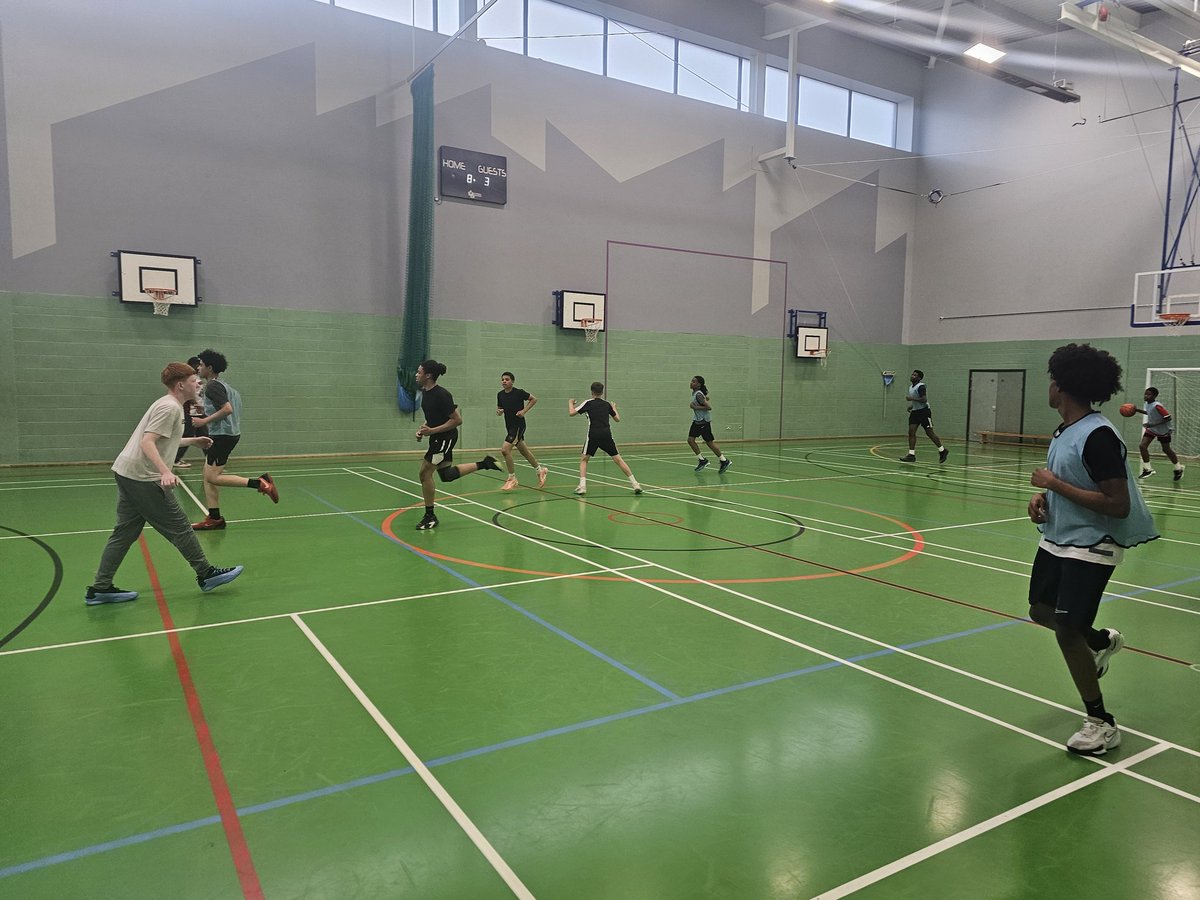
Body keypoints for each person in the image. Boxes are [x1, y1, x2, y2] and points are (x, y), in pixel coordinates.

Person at [1026, 343, 1158, 756]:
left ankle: (1101, 722)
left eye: (1051, 381)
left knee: (1066, 629)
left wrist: (1053, 485)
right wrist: (1044, 503)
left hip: (1093, 546)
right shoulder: (1066, 431)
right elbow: (1070, 485)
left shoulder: (1099, 435)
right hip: (1057, 539)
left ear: (1061, 387)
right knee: (1040, 611)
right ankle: (1100, 642)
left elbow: (1117, 505)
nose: (1048, 387)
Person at [84, 363, 244, 605]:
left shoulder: (172, 407)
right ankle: (206, 574)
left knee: (124, 533)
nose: (198, 383)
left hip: (128, 472)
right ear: (181, 385)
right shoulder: (169, 407)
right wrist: (164, 472)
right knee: (179, 526)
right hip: (143, 477)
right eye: (193, 380)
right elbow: (148, 442)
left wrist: (193, 440)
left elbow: (165, 438)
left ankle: (100, 588)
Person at [188, 349, 278, 530]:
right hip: (227, 434)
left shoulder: (213, 386)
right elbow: (224, 409)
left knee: (213, 477)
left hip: (223, 436)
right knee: (207, 475)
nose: (199, 368)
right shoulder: (226, 387)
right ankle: (214, 518)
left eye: (202, 365)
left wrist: (203, 421)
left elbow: (227, 409)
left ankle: (260, 483)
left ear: (210, 368)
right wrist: (203, 408)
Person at [414, 359, 500, 530]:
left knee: (425, 474)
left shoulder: (442, 394)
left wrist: (432, 431)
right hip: (437, 437)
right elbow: (434, 417)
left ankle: (430, 516)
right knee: (446, 475)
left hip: (444, 439)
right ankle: (485, 463)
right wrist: (424, 429)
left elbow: (457, 420)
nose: (416, 374)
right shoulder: (426, 392)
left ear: (428, 375)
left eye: (419, 372)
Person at [569, 382, 642, 496]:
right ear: (602, 392)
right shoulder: (607, 404)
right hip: (606, 435)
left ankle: (582, 486)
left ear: (592, 392)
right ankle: (635, 484)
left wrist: (570, 403)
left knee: (584, 460)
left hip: (593, 435)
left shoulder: (588, 403)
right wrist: (614, 408)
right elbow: (617, 419)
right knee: (618, 460)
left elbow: (571, 413)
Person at [496, 371, 548, 490]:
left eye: (507, 379)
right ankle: (540, 471)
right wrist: (499, 411)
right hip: (509, 426)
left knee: (505, 450)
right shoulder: (500, 395)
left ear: (512, 381)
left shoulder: (519, 392)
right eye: (503, 379)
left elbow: (534, 399)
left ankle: (512, 478)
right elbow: (500, 408)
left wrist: (524, 411)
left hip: (518, 426)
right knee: (524, 451)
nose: (504, 381)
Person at [1137, 386, 1185, 481]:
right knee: (1142, 446)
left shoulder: (1157, 405)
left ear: (1154, 396)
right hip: (1152, 430)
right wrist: (1136, 410)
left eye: (1148, 394)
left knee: (1166, 449)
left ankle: (1178, 468)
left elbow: (1168, 417)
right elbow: (1149, 413)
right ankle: (1148, 469)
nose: (1146, 396)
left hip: (1164, 430)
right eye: (1145, 394)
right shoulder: (1147, 403)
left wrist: (1152, 424)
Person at [900, 369, 948, 463]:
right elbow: (917, 401)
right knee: (911, 431)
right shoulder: (911, 387)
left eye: (914, 375)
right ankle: (911, 455)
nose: (912, 376)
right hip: (915, 412)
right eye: (912, 374)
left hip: (924, 412)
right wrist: (911, 406)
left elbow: (924, 399)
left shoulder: (921, 386)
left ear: (919, 378)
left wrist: (911, 398)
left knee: (929, 432)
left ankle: (942, 451)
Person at [687, 375, 731, 473]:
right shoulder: (696, 393)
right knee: (690, 440)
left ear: (699, 384)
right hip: (697, 421)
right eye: (691, 381)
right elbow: (705, 398)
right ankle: (702, 460)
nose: (691, 383)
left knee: (709, 442)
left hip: (703, 422)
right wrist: (705, 399)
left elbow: (709, 407)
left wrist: (695, 407)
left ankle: (724, 460)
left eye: (694, 381)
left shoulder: (698, 394)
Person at [173, 355, 205, 469]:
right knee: (188, 435)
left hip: (199, 413)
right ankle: (175, 459)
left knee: (205, 435)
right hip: (190, 412)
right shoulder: (188, 379)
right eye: (199, 364)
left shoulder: (197, 379)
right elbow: (187, 394)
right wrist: (195, 403)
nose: (200, 367)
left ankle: (212, 461)